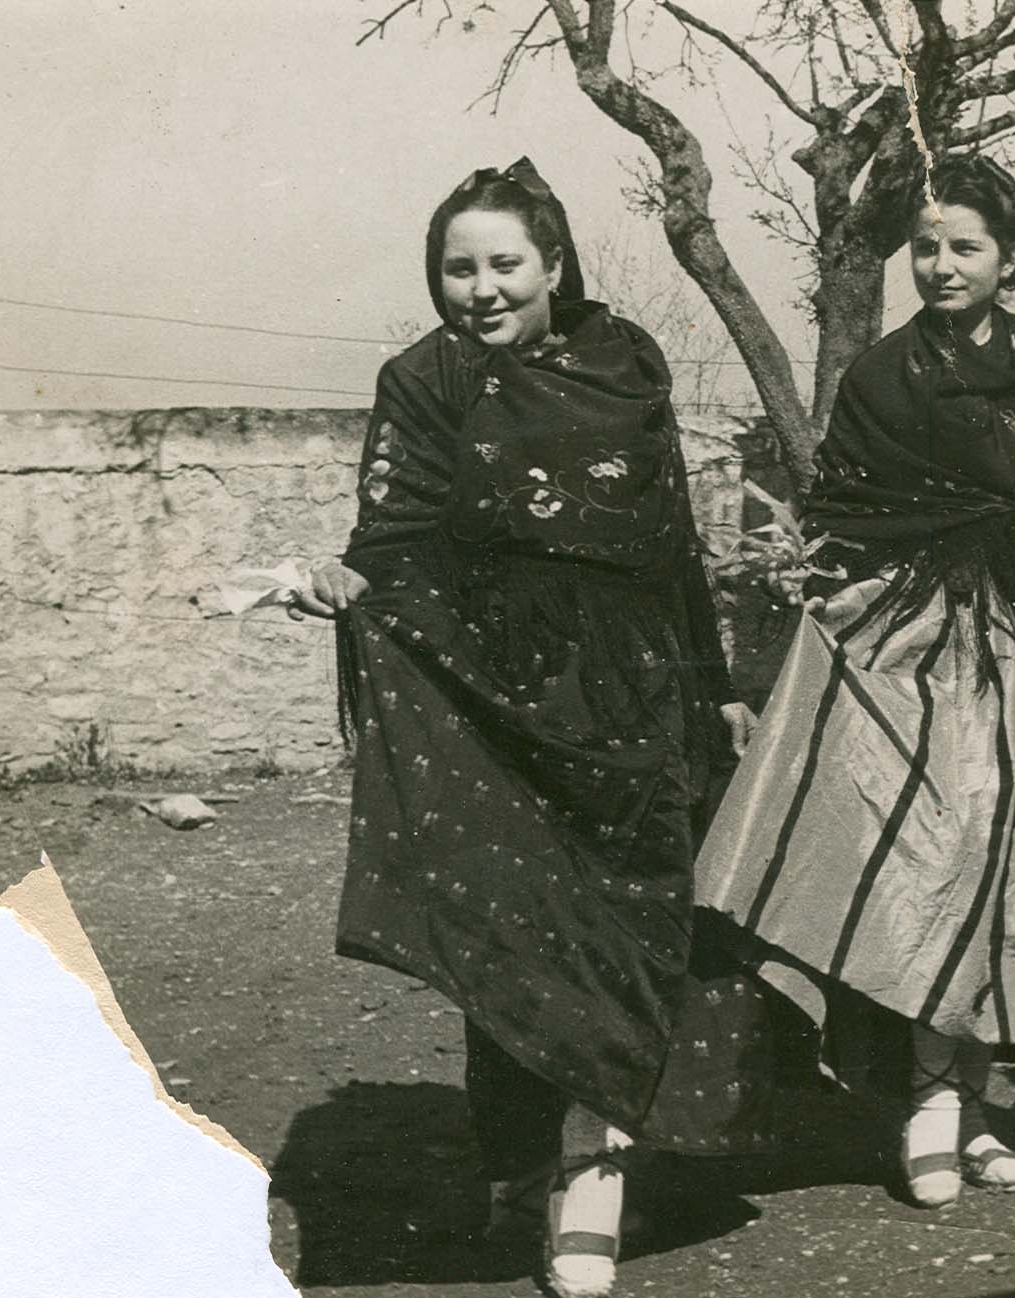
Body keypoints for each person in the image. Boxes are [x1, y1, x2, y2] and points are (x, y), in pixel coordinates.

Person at [289, 158, 777, 1298]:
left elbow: (672, 539)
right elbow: (393, 528)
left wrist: (714, 681)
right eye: (457, 269)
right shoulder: (421, 379)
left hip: (630, 687)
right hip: (491, 692)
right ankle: (519, 1158)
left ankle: (592, 1170)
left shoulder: (627, 363)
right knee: (514, 929)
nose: (482, 289)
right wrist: (348, 580)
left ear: (553, 264)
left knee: (619, 926)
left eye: (504, 263)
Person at [694, 155, 1015, 1209]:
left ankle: (963, 1104)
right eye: (925, 246)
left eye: (965, 246)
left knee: (1004, 864)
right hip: (907, 644)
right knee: (925, 859)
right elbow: (836, 516)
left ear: (1010, 259)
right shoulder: (879, 377)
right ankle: (926, 1100)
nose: (941, 265)